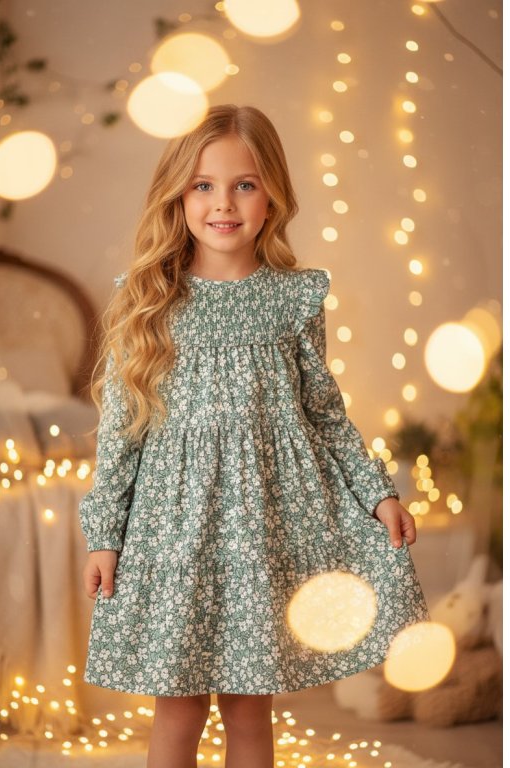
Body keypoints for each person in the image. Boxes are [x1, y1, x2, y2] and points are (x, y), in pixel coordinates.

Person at [78, 104, 429, 766]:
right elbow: (121, 433)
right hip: (175, 532)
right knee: (179, 707)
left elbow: (325, 414)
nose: (223, 203)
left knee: (247, 706)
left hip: (261, 530)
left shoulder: (293, 298)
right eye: (203, 185)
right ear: (178, 195)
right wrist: (104, 535)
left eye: (244, 184)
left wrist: (377, 494)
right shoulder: (149, 300)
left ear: (273, 195)